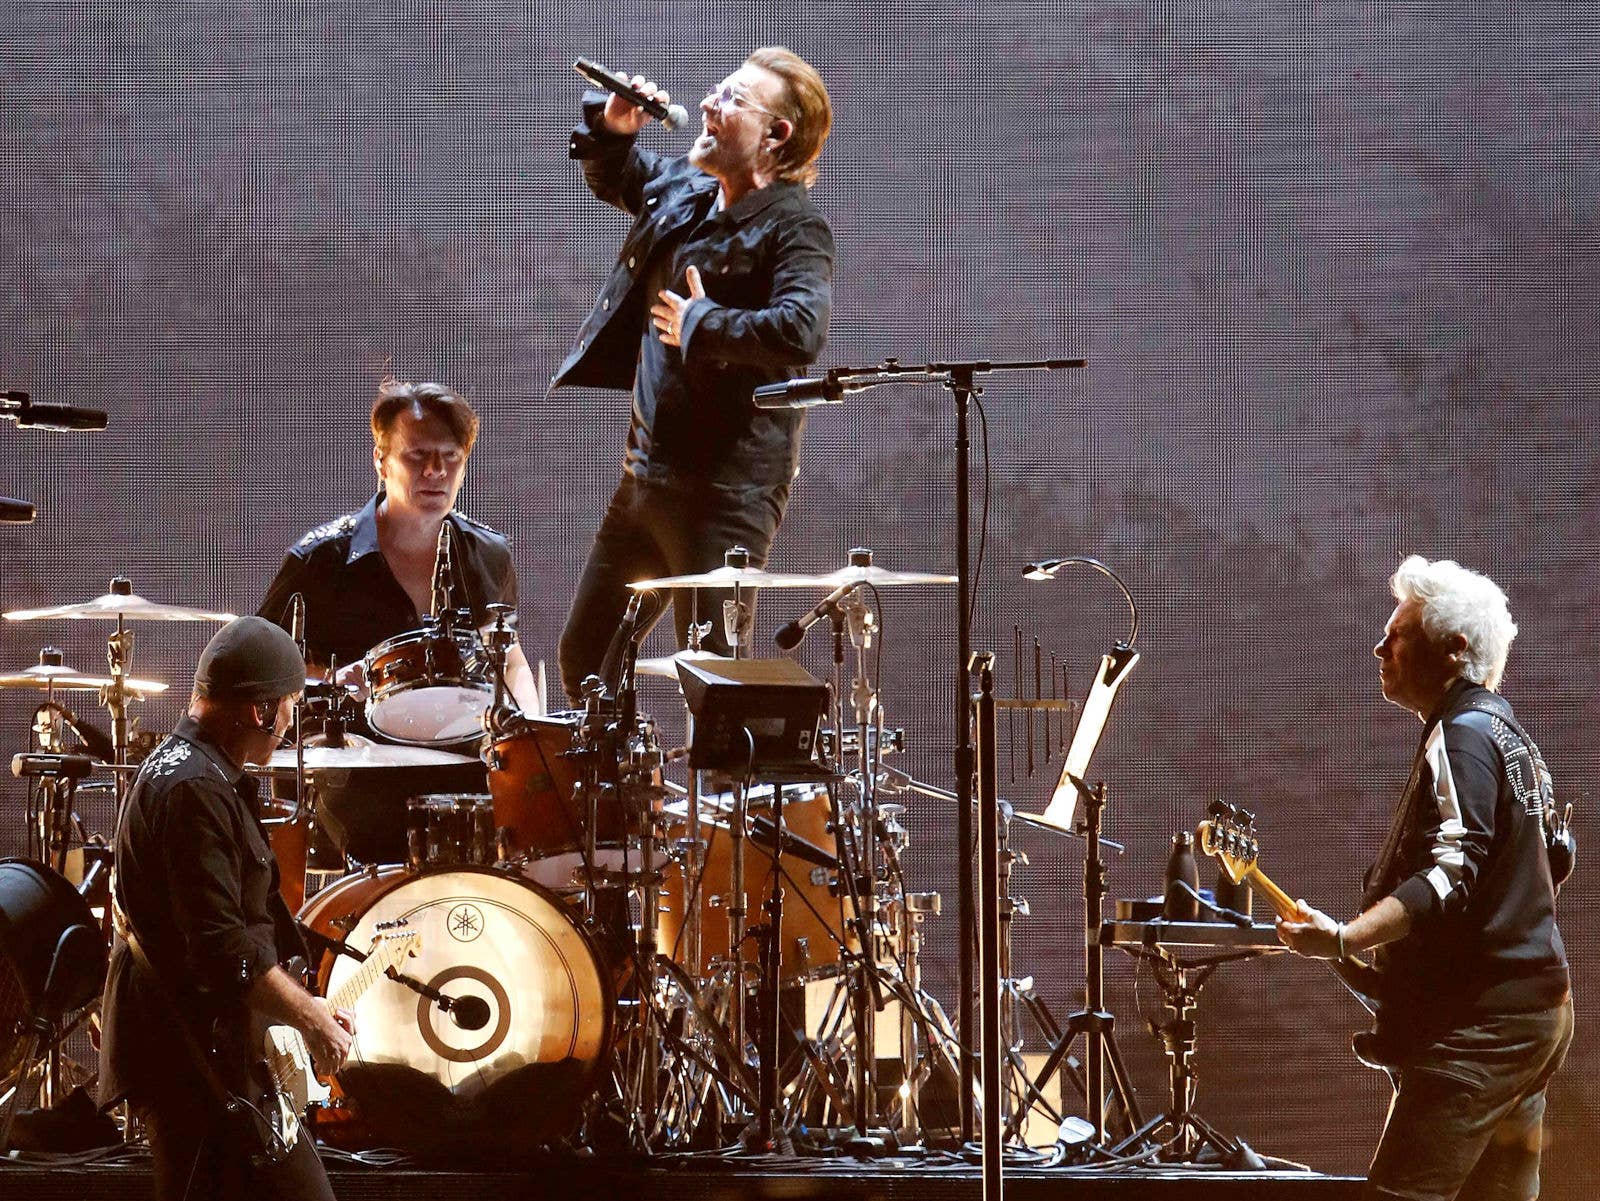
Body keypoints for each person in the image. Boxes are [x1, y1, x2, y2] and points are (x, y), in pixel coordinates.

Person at [1277, 556, 1572, 1200]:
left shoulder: (1461, 736)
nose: (1379, 647)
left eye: (1398, 635)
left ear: (1454, 650)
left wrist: (1347, 939)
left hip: (1484, 1029)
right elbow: (1550, 864)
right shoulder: (1511, 735)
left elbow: (1453, 871)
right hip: (1531, 1018)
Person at [552, 46, 835, 702]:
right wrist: (613, 131)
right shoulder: (688, 190)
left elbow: (802, 329)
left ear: (776, 135)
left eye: (733, 98)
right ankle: (624, 802)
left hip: (726, 497)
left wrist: (705, 321)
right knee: (587, 660)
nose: (709, 102)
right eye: (716, 89)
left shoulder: (798, 229)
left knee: (714, 687)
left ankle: (734, 802)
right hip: (645, 481)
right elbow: (621, 176)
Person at [99, 617, 356, 1200]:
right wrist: (310, 1016)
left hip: (200, 1049)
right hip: (191, 1056)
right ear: (258, 712)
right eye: (288, 706)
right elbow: (222, 950)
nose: (290, 726)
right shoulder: (193, 789)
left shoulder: (192, 770)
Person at [258, 377, 538, 716]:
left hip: (461, 756)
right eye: (418, 455)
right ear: (380, 459)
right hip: (351, 758)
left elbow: (510, 663)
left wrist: (527, 736)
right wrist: (331, 679)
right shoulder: (320, 558)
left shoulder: (489, 552)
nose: (436, 470)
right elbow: (258, 667)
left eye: (451, 456)